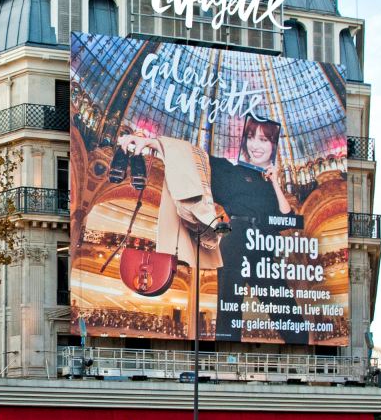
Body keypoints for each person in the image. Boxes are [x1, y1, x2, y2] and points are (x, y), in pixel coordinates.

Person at [118, 112, 305, 346]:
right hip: (234, 237)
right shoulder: (228, 170)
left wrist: (276, 181)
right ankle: (225, 364)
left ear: (272, 145)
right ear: (245, 141)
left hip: (262, 245)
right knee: (229, 310)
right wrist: (151, 142)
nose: (256, 145)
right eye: (251, 137)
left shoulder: (270, 186)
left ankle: (304, 357)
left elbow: (286, 218)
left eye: (264, 139)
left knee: (288, 313)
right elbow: (192, 157)